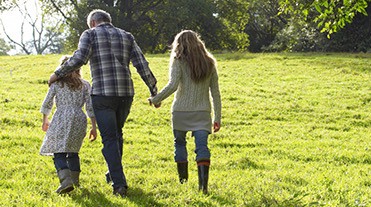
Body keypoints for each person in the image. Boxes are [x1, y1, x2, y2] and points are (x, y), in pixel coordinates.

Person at [48, 9, 158, 197]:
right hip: (125, 93)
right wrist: (153, 90)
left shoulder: (89, 34)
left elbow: (80, 58)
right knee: (116, 134)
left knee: (109, 137)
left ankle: (119, 184)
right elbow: (141, 63)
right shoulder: (127, 36)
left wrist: (58, 73)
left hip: (103, 94)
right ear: (108, 21)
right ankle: (112, 174)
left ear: (92, 23)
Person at [148, 30, 221, 194]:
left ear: (179, 44)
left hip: (180, 111)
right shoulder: (209, 62)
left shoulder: (178, 60)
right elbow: (215, 92)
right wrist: (217, 117)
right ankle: (203, 187)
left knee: (179, 143)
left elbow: (173, 85)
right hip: (202, 112)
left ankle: (183, 181)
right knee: (202, 146)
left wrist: (156, 99)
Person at [40, 56, 97, 194]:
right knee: (73, 151)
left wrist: (45, 120)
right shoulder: (85, 85)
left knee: (58, 151)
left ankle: (66, 182)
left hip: (61, 117)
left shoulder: (57, 84)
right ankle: (75, 181)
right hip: (79, 118)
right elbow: (90, 107)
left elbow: (48, 103)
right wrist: (94, 127)